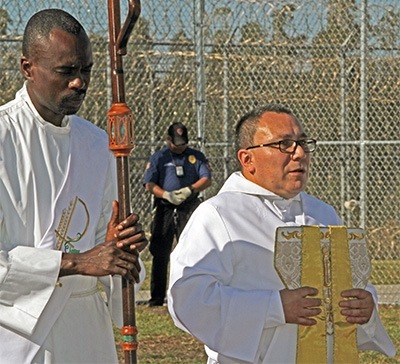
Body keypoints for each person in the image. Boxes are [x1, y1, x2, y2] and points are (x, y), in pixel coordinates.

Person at [167, 104, 396, 363]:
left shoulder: (323, 214)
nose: (299, 153)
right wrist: (274, 308)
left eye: (302, 142)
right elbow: (187, 297)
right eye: (284, 144)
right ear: (247, 159)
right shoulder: (219, 215)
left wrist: (366, 306)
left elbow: (354, 284)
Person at [0, 9, 147, 363]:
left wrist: (119, 248)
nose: (79, 82)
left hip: (85, 328)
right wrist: (76, 262)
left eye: (86, 70)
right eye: (66, 71)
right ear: (27, 67)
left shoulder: (99, 144)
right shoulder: (4, 138)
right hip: (18, 331)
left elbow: (101, 246)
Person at [144, 122, 212, 306]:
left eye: (183, 143)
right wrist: (166, 194)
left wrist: (190, 190)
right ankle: (157, 298)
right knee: (160, 252)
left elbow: (206, 178)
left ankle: (191, 295)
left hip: (188, 207)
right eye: (176, 143)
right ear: (168, 140)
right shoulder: (160, 157)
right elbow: (149, 183)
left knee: (192, 250)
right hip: (165, 207)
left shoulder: (195, 157)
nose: (180, 147)